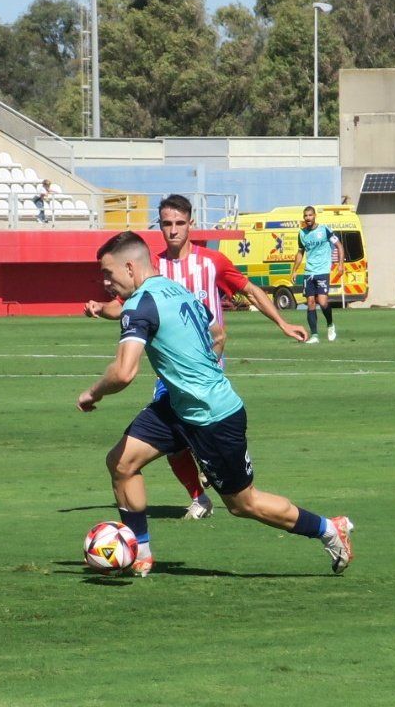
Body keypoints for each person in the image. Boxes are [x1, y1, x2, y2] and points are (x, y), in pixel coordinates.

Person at [76, 230, 354, 576]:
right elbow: (217, 333)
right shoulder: (175, 290)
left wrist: (93, 393)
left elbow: (124, 372)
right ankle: (140, 553)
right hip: (177, 406)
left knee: (243, 504)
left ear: (130, 267)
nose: (105, 281)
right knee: (121, 463)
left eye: (108, 273)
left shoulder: (139, 304)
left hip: (212, 415)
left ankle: (329, 528)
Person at [85, 194, 308, 519]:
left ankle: (207, 472)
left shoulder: (211, 262)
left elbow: (247, 290)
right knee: (136, 453)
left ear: (191, 224)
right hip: (172, 380)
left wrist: (282, 322)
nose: (173, 230)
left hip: (208, 380)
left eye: (178, 223)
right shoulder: (152, 266)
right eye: (166, 224)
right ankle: (193, 500)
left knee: (239, 499)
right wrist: (101, 309)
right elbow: (127, 308)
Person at [290, 206, 342, 344]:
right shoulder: (302, 233)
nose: (308, 218)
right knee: (311, 303)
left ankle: (330, 324)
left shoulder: (324, 230)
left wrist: (341, 264)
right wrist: (294, 270)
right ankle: (314, 335)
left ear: (315, 216)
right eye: (305, 216)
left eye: (310, 215)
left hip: (323, 271)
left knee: (323, 302)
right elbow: (300, 252)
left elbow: (339, 246)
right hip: (309, 273)